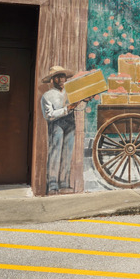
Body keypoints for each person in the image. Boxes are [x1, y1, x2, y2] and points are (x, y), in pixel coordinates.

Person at [40, 66, 85, 195]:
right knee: (55, 153)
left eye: (62, 76)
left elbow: (79, 106)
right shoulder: (47, 96)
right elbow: (49, 115)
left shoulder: (70, 92)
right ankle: (53, 185)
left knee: (67, 153)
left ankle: (64, 183)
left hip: (70, 123)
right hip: (56, 124)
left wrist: (83, 100)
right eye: (57, 77)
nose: (61, 79)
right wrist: (67, 108)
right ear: (52, 79)